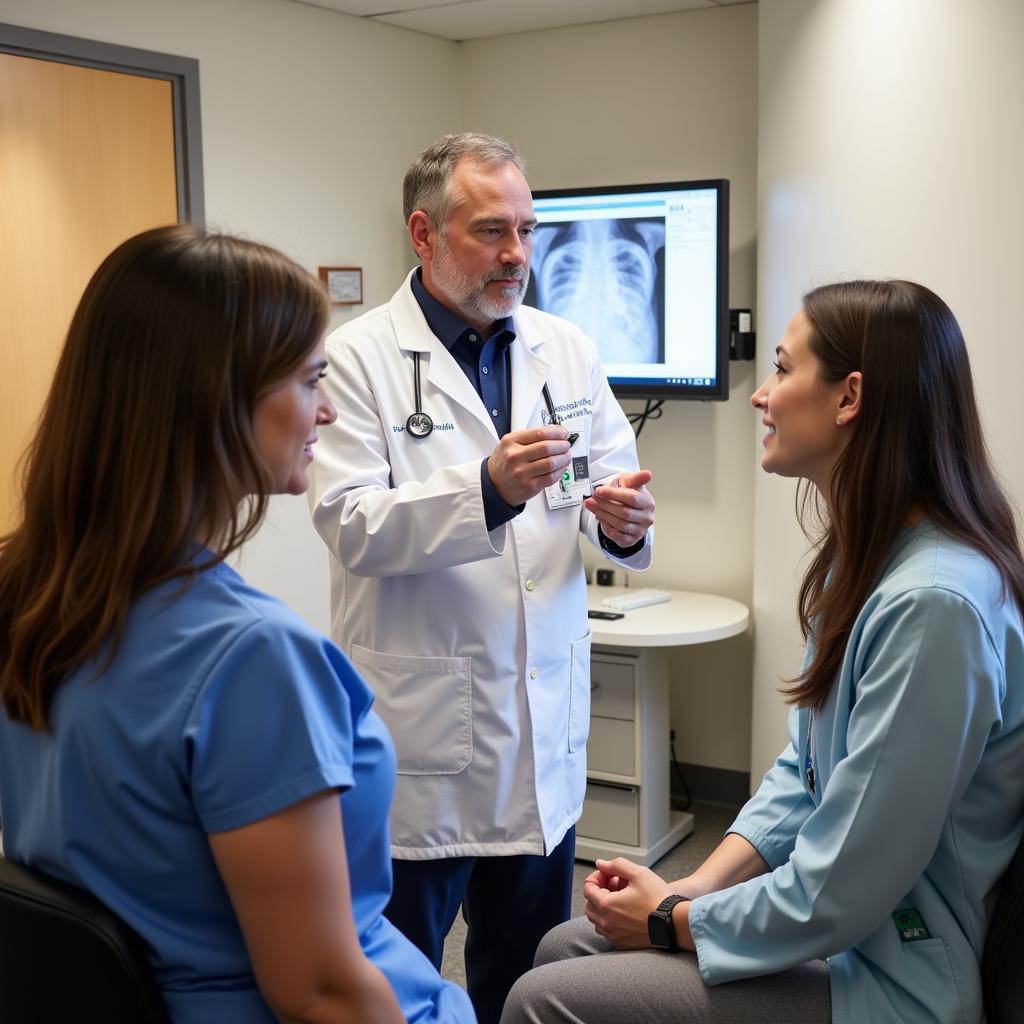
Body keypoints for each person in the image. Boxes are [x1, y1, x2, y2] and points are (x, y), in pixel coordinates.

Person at [501, 279, 1024, 1024]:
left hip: (894, 975)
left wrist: (667, 922)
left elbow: (843, 883)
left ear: (849, 398)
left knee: (543, 998)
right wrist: (694, 887)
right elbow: (804, 776)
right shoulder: (869, 561)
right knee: (566, 948)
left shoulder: (934, 604)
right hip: (848, 933)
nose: (761, 394)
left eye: (782, 368)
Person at [0, 225, 476, 1024]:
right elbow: (321, 993)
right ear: (215, 398)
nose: (325, 410)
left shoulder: (27, 590)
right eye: (308, 379)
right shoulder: (252, 660)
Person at [310, 131, 655, 1022]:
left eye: (528, 231)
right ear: (423, 236)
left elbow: (607, 477)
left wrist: (619, 521)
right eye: (491, 231)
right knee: (403, 975)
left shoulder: (564, 346)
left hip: (543, 737)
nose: (517, 255)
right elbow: (350, 523)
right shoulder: (356, 358)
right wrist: (486, 490)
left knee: (531, 974)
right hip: (425, 745)